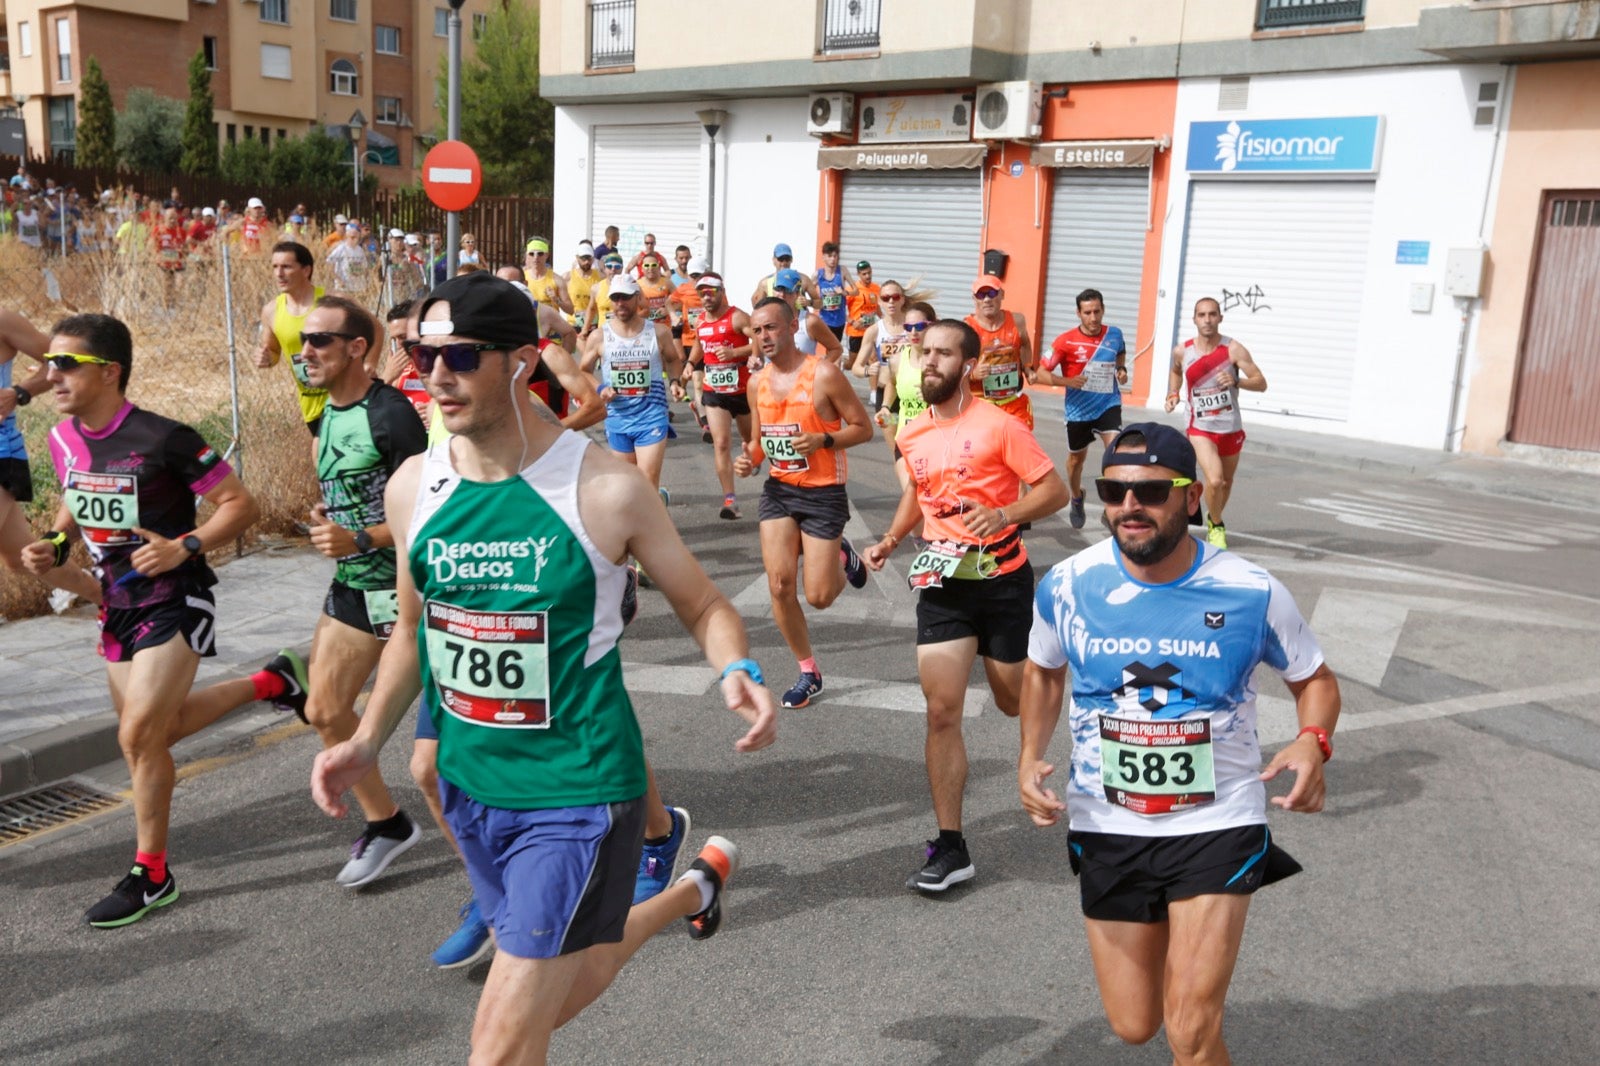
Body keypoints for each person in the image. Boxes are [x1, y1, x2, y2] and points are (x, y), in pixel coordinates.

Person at [309, 272, 777, 1063]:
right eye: (424, 355)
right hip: (469, 786)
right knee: (559, 993)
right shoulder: (415, 487)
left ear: (522, 361)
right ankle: (691, 890)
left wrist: (739, 668)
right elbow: (413, 631)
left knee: (498, 1042)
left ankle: (682, 886)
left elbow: (704, 604)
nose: (437, 375)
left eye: (462, 356)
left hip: (577, 791)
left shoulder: (604, 488)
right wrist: (366, 741)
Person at [1019, 422, 1340, 1064]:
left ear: (1192, 498)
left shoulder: (1250, 590)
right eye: (1113, 491)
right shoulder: (1068, 585)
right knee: (1136, 1023)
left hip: (1217, 823)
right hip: (1108, 821)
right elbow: (1043, 669)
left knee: (1189, 1029)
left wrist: (1313, 740)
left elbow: (1316, 680)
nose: (1128, 506)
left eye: (1150, 492)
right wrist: (1029, 755)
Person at [19, 314, 296, 928]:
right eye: (48, 364)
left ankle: (152, 873)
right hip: (116, 603)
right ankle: (272, 683)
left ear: (109, 372)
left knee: (139, 736)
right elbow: (74, 496)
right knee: (155, 733)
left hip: (175, 594)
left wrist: (185, 546)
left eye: (65, 365)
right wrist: (56, 543)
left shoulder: (166, 437)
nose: (50, 375)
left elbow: (240, 504)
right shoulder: (62, 438)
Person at [863, 319, 1067, 891]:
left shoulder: (1000, 426)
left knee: (1010, 701)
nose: (930, 361)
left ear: (968, 366)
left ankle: (1042, 725)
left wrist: (1005, 514)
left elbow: (1054, 490)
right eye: (925, 352)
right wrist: (891, 539)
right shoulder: (912, 432)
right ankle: (951, 846)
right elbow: (918, 492)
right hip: (943, 585)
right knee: (941, 711)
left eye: (944, 353)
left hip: (1001, 582)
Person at [263, 296, 429, 886]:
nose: (304, 351)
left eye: (319, 341)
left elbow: (428, 509)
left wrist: (360, 537)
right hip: (355, 586)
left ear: (357, 348)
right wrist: (329, 515)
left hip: (409, 589)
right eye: (301, 341)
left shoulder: (392, 415)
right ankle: (386, 823)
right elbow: (353, 487)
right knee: (324, 709)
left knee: (448, 751)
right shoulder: (326, 413)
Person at [734, 298, 873, 708]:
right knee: (779, 585)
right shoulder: (756, 383)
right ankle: (808, 671)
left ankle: (843, 556)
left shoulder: (823, 374)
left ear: (793, 326)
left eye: (771, 328)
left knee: (819, 597)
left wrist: (823, 440)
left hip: (824, 491)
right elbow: (759, 444)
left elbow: (862, 428)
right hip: (780, 490)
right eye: (757, 331)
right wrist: (749, 461)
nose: (764, 337)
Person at [0, 310, 102, 605]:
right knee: (22, 558)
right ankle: (108, 596)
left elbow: (61, 361)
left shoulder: (4, 322)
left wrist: (19, 392)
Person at [1165, 298, 1267, 549]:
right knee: (1215, 481)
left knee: (1226, 483)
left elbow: (1261, 382)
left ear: (1220, 318)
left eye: (1212, 314)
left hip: (1230, 427)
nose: (1207, 320)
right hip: (1200, 427)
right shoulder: (1182, 351)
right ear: (1194, 319)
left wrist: (1237, 381)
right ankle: (1218, 525)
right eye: (1202, 315)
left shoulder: (1233, 350)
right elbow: (1176, 371)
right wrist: (1173, 393)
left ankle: (1213, 517)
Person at [580, 273, 682, 501]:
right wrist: (600, 389)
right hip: (618, 417)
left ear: (637, 298)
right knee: (626, 483)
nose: (620, 303)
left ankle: (651, 514)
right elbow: (583, 371)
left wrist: (675, 382)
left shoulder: (658, 332)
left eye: (625, 297)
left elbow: (673, 359)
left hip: (652, 415)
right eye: (615, 298)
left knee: (647, 479)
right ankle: (657, 501)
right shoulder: (599, 336)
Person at [1036, 288, 1129, 530]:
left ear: (1103, 310)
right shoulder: (1065, 341)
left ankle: (1112, 507)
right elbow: (1040, 373)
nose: (1093, 317)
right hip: (1078, 410)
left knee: (1116, 454)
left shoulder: (1114, 334)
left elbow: (1120, 353)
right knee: (1076, 461)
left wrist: (1121, 370)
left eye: (1097, 311)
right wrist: (1066, 381)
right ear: (1078, 313)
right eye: (1088, 313)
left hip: (1108, 404)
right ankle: (1077, 497)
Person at [682, 272, 753, 520]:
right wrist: (690, 363)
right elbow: (700, 344)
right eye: (701, 293)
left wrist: (735, 353)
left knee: (750, 441)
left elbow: (760, 342)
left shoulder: (737, 317)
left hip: (742, 390)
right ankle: (730, 500)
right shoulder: (701, 320)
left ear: (722, 292)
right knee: (721, 443)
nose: (706, 297)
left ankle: (752, 457)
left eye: (711, 292)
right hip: (714, 391)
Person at [256, 241, 329, 436]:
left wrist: (369, 363)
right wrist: (267, 359)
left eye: (286, 267)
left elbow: (374, 328)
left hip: (341, 397)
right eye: (275, 267)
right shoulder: (271, 310)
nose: (279, 274)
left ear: (306, 270)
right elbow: (273, 351)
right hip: (310, 403)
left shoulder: (330, 302)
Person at [874, 295, 937, 490]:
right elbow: (892, 383)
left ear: (932, 326)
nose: (914, 332)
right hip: (906, 440)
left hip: (934, 440)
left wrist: (934, 398)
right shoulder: (897, 359)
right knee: (910, 494)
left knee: (930, 497)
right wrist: (885, 406)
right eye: (908, 327)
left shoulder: (941, 362)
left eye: (920, 326)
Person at [965, 274, 1035, 430]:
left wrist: (1028, 367)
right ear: (974, 299)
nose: (987, 299)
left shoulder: (1017, 321)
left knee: (1020, 441)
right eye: (981, 295)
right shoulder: (967, 328)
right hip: (981, 403)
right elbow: (956, 365)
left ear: (1002, 294)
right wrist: (972, 373)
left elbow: (1024, 345)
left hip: (1013, 400)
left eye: (992, 293)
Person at [773, 268, 842, 364]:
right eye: (778, 289)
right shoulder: (764, 319)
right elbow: (756, 352)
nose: (782, 294)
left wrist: (816, 369)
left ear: (797, 293)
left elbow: (836, 349)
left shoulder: (810, 322)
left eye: (788, 290)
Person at [844, 261, 882, 402]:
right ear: (858, 275)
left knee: (873, 359)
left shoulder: (876, 288)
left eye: (869, 273)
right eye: (864, 274)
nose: (867, 276)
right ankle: (843, 365)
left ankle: (873, 394)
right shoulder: (853, 290)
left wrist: (884, 321)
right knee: (853, 363)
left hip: (870, 331)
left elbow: (877, 308)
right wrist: (852, 321)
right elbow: (840, 310)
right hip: (855, 332)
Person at [750, 243, 821, 309]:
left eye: (787, 259)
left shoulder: (803, 279)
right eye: (780, 259)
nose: (784, 263)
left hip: (798, 318)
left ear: (791, 260)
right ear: (774, 260)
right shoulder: (765, 283)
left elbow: (820, 303)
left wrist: (808, 302)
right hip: (777, 318)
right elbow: (756, 304)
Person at [523, 238, 572, 314]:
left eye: (540, 254)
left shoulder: (557, 280)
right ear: (527, 255)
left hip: (550, 321)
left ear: (547, 255)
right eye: (531, 254)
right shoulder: (522, 278)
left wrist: (556, 300)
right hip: (528, 321)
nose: (536, 257)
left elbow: (570, 310)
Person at [814, 242, 849, 341]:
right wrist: (816, 299)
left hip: (839, 320)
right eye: (830, 256)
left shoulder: (842, 271)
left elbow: (855, 291)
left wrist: (843, 292)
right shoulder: (818, 274)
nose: (833, 259)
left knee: (836, 346)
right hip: (825, 319)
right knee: (829, 346)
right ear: (824, 257)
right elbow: (807, 288)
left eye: (835, 256)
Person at [327, 222, 373, 297]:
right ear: (347, 236)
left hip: (358, 288)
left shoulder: (360, 250)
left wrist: (367, 283)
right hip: (343, 288)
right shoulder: (341, 248)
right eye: (352, 237)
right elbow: (329, 264)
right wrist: (338, 280)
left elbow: (365, 268)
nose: (354, 240)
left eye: (356, 237)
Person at [567, 242, 604, 329]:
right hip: (573, 324)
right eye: (583, 259)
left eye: (589, 259)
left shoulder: (601, 277)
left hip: (593, 324)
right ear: (577, 258)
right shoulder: (568, 277)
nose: (587, 262)